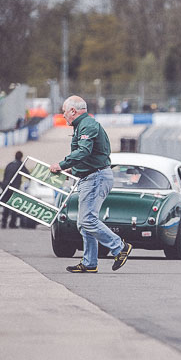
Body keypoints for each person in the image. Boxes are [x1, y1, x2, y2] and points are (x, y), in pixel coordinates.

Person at [50, 95, 130, 273]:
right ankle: (89, 262)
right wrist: (72, 170)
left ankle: (119, 247)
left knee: (87, 220)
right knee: (84, 222)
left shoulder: (87, 125)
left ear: (73, 110)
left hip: (96, 177)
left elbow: (84, 151)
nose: (63, 116)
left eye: (64, 112)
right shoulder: (83, 126)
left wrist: (62, 164)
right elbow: (90, 155)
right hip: (91, 176)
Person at [1, 150, 29, 228]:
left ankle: (3, 222)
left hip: (5, 186)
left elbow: (5, 175)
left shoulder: (9, 164)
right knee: (13, 205)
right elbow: (27, 175)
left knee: (6, 205)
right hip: (14, 187)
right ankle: (12, 223)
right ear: (21, 157)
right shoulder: (20, 165)